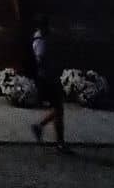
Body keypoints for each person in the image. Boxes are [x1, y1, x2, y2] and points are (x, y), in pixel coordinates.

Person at [30, 16, 67, 151]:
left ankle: (41, 128)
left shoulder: (43, 38)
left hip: (50, 77)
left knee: (58, 109)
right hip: (48, 78)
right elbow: (40, 59)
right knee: (58, 109)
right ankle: (59, 141)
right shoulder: (40, 41)